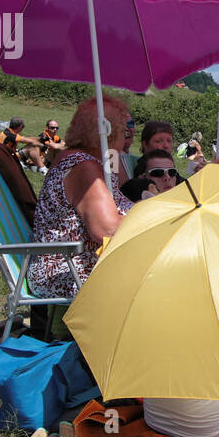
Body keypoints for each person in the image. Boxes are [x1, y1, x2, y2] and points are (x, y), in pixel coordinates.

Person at [28, 95, 135, 300]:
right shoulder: (85, 168)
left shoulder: (91, 162)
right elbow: (107, 230)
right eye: (125, 129)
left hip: (87, 266)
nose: (129, 136)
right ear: (107, 132)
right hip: (67, 271)